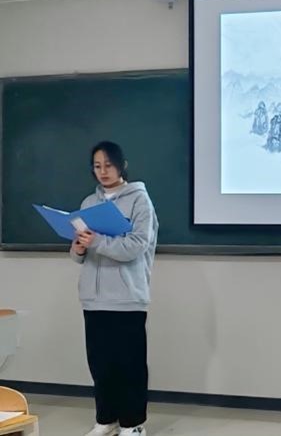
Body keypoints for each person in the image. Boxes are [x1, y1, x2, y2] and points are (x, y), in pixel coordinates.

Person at [70, 141, 158, 436]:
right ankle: (106, 419)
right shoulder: (88, 203)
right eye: (97, 166)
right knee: (100, 364)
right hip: (93, 298)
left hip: (126, 297)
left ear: (122, 166)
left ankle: (133, 424)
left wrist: (97, 242)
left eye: (108, 165)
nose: (103, 171)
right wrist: (79, 248)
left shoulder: (139, 201)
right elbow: (79, 255)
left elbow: (136, 246)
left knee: (129, 364)